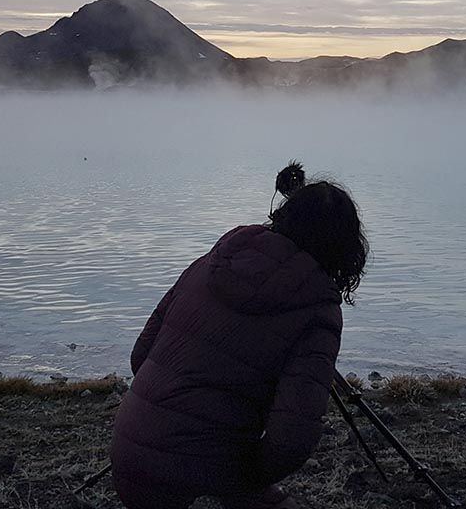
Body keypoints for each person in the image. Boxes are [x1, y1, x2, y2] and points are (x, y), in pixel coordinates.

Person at [110, 164, 368, 509]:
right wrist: (244, 474)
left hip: (127, 458)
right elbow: (290, 440)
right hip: (196, 481)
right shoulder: (317, 309)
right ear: (345, 249)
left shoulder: (212, 261)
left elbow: (140, 358)